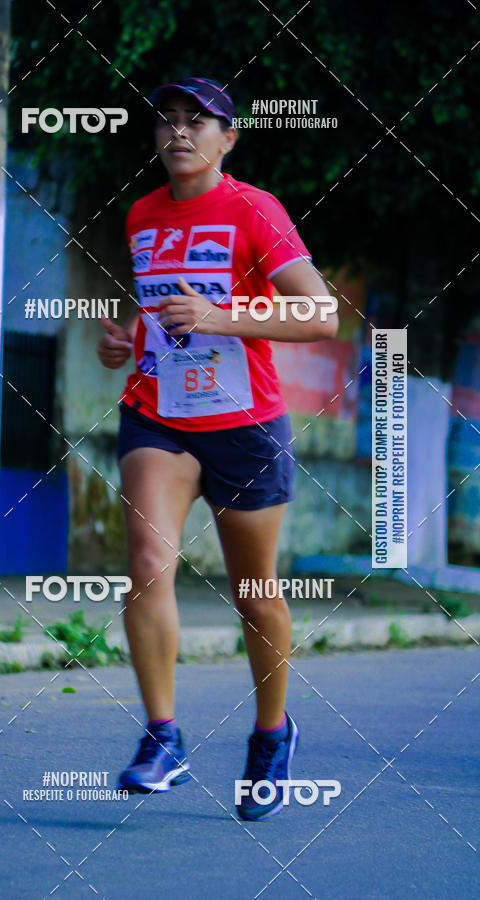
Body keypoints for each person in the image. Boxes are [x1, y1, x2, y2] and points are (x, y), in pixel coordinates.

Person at [97, 77, 338, 821]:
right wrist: (125, 342)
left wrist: (220, 315)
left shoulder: (253, 209)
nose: (179, 132)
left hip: (245, 425)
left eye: (197, 122)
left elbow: (320, 314)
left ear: (228, 138)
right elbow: (160, 316)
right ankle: (162, 737)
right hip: (158, 416)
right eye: (167, 120)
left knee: (254, 595)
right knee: (146, 562)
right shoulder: (141, 215)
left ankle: (272, 733)